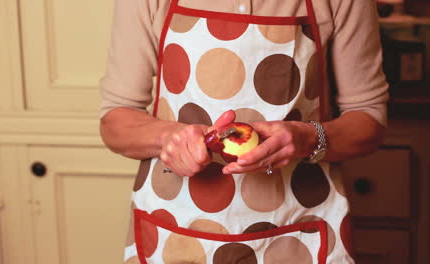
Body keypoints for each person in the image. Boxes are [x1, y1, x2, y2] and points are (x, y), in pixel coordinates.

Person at [100, 0, 389, 263]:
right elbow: (116, 121)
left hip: (299, 225)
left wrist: (306, 137)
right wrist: (169, 139)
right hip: (176, 226)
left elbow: (369, 119)